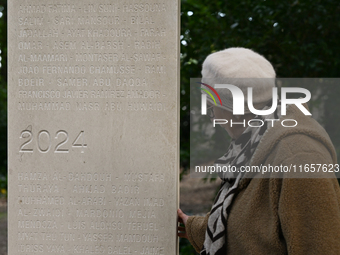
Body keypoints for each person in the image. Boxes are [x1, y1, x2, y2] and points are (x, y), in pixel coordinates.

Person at [177, 47, 340, 255]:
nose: (209, 112)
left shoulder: (298, 155)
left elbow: (319, 246)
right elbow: (250, 230)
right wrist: (193, 226)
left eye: (210, 103)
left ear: (231, 109)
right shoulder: (252, 144)